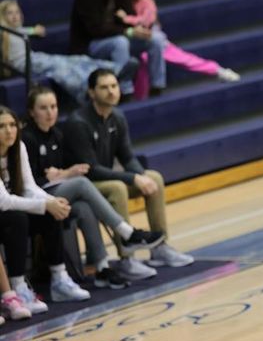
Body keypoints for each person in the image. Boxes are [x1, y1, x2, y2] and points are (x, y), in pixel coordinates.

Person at [23, 85, 165, 287]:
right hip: (36, 198)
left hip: (56, 192)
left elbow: (65, 170)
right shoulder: (27, 139)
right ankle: (127, 233)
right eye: (43, 108)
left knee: (84, 207)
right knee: (81, 183)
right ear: (31, 112)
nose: (50, 112)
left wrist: (64, 173)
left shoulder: (57, 134)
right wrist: (62, 174)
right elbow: (27, 183)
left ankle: (102, 268)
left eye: (53, 107)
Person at [63, 69, 193, 274]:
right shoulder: (78, 123)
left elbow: (127, 157)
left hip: (105, 177)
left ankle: (160, 248)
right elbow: (93, 170)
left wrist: (140, 176)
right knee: (118, 188)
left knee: (154, 178)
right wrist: (132, 178)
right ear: (91, 92)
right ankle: (126, 257)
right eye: (104, 87)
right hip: (86, 184)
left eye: (114, 86)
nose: (111, 92)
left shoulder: (117, 116)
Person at [0, 106, 91, 314]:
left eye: (12, 125)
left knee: (50, 213)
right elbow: (3, 201)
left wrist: (52, 202)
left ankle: (59, 280)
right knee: (18, 218)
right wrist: (44, 204)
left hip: (14, 215)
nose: (9, 131)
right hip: (5, 217)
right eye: (2, 126)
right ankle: (18, 286)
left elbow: (29, 188)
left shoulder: (18, 147)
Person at [118, 0, 240, 99]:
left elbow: (145, 21)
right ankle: (140, 98)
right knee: (141, 66)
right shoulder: (128, 3)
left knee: (184, 59)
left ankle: (218, 70)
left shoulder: (148, 2)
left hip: (156, 41)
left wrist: (126, 19)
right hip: (139, 43)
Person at [69, 0, 166, 97]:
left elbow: (130, 18)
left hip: (117, 36)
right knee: (120, 42)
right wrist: (127, 31)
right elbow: (95, 29)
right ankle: (125, 90)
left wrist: (140, 29)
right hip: (91, 43)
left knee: (156, 39)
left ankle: (157, 86)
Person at [0, 0, 125, 104]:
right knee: (60, 68)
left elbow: (28, 31)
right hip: (24, 64)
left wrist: (34, 30)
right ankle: (83, 89)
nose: (15, 15)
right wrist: (33, 30)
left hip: (35, 58)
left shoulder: (20, 30)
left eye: (17, 12)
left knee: (76, 59)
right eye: (10, 13)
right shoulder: (5, 32)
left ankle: (114, 68)